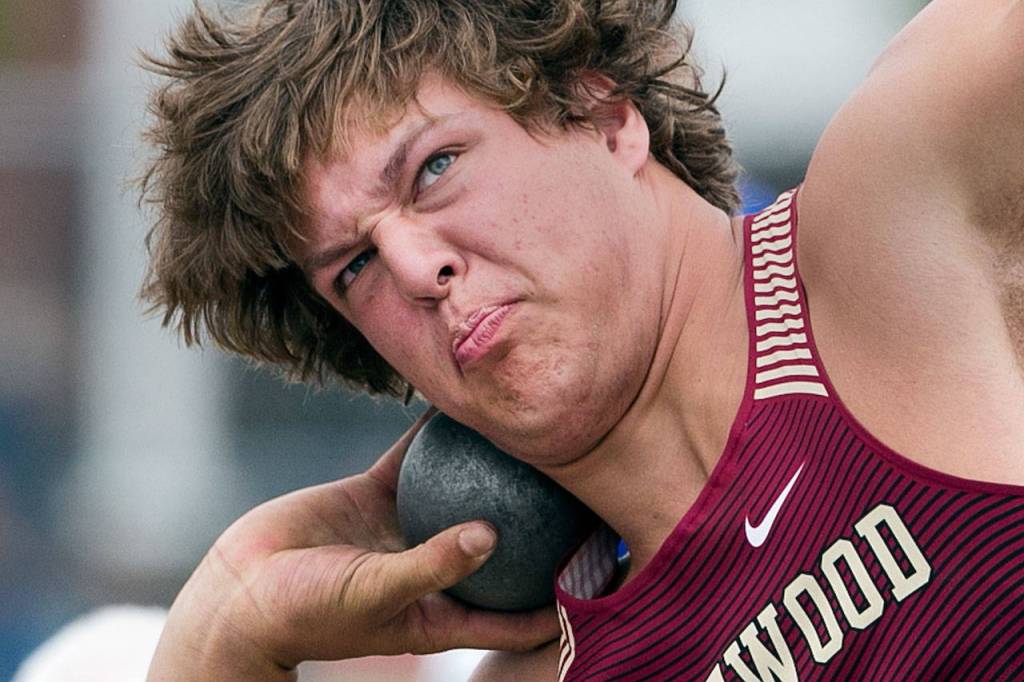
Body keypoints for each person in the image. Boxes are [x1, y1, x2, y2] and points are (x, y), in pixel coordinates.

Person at [140, 0, 1024, 679]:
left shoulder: (908, 206)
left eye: (435, 168)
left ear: (604, 113)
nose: (413, 267)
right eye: (353, 268)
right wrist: (221, 635)